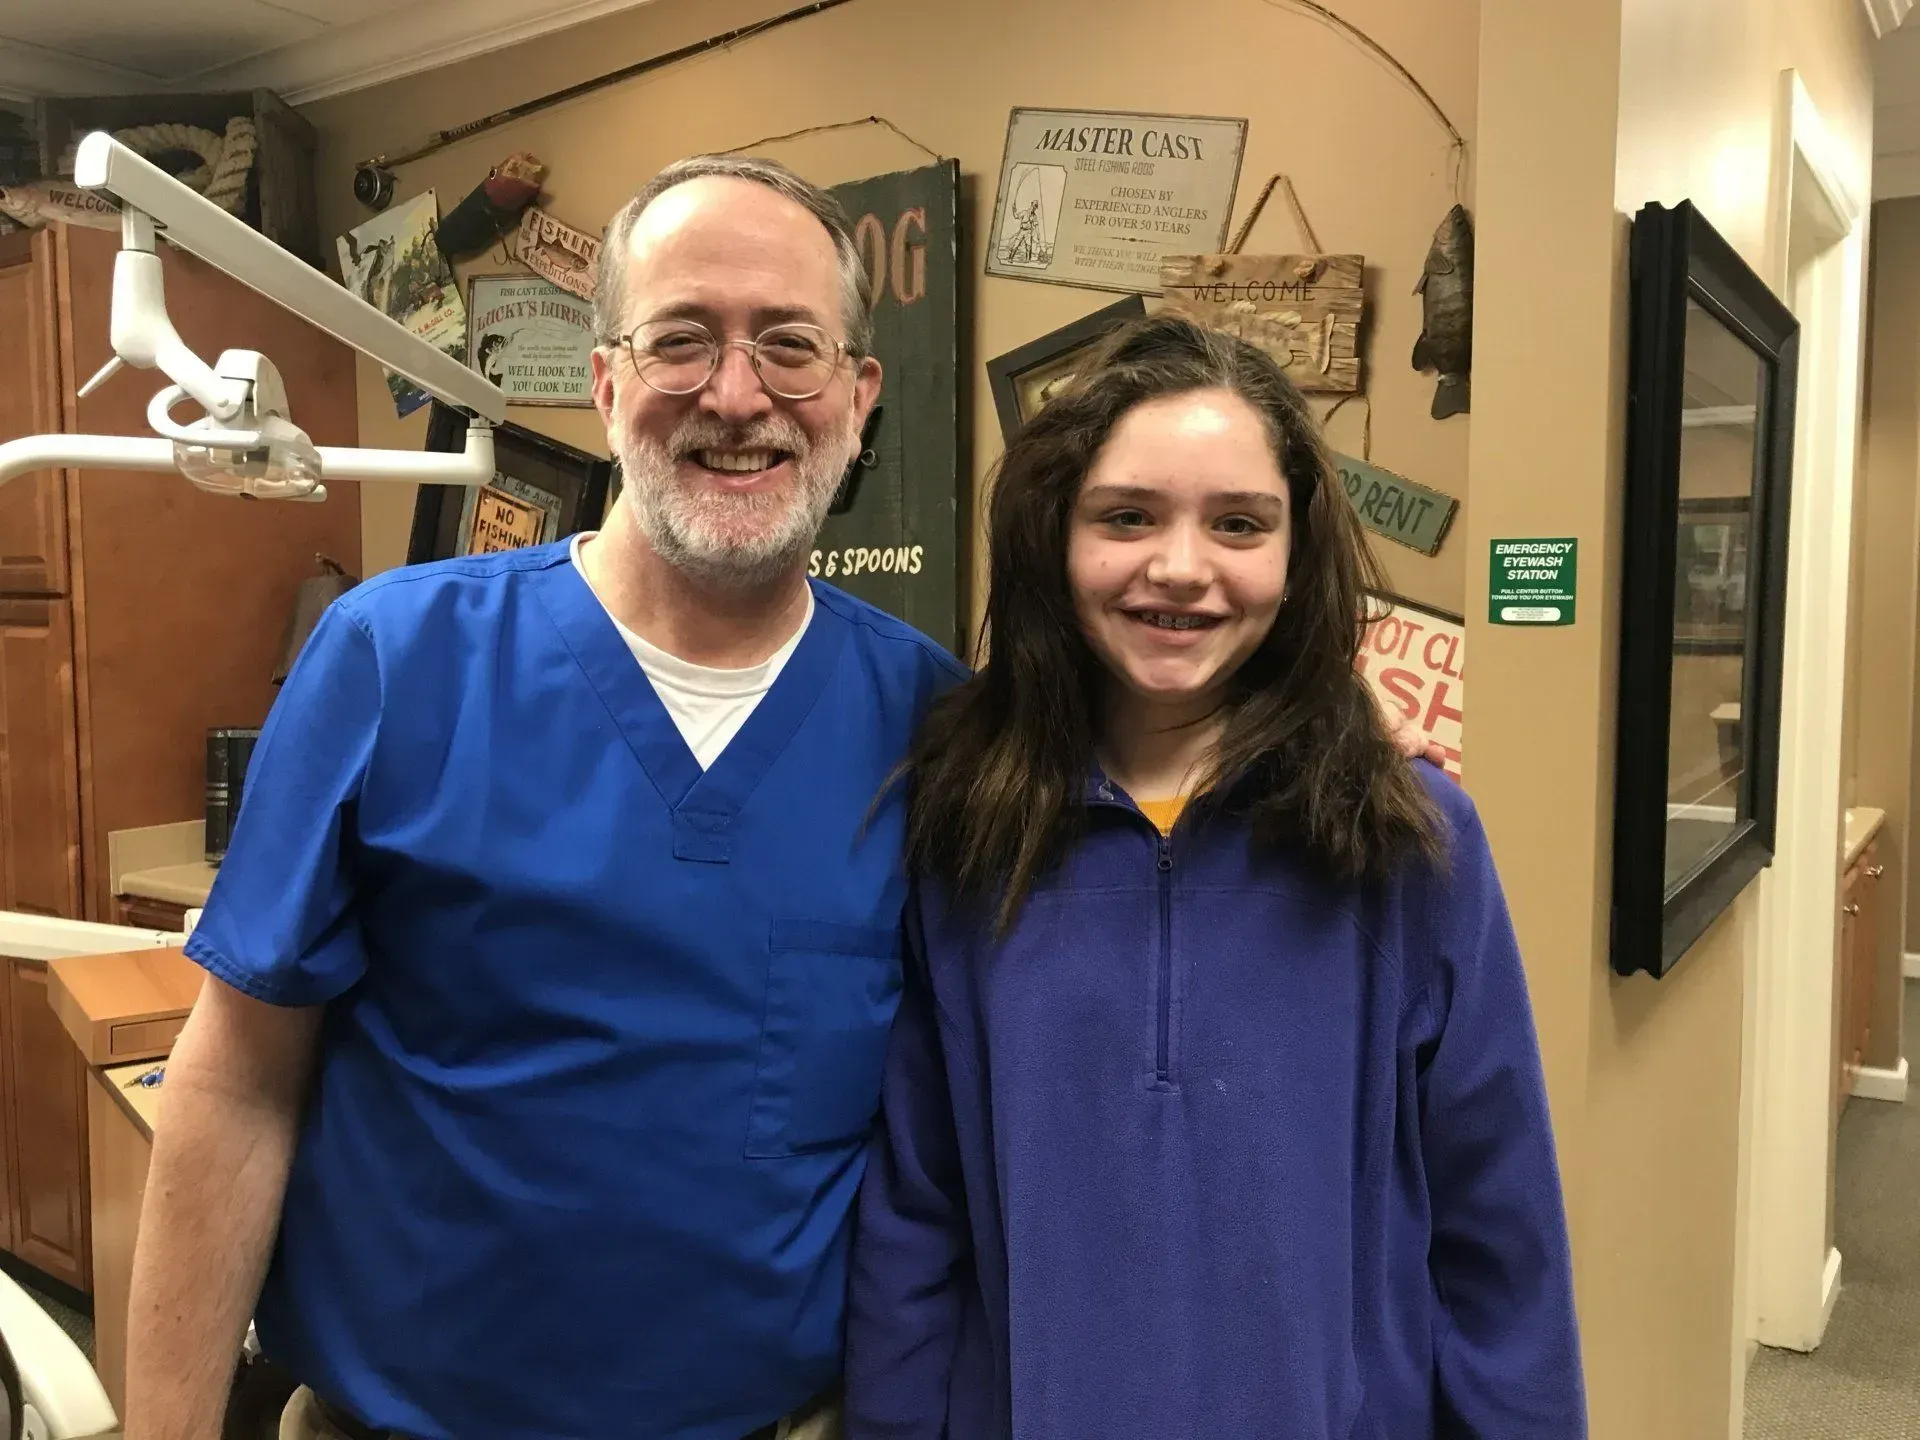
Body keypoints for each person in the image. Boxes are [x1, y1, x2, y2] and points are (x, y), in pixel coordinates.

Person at [124, 154, 959, 1440]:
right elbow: (235, 1081)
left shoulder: (935, 728)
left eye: (790, 346)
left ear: (858, 395)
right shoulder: (394, 660)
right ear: (608, 378)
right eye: (683, 339)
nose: (737, 395)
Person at [844, 316, 1584, 1438]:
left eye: (1239, 523)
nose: (1180, 568)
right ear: (1056, 537)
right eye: (1127, 516)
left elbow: (1501, 1233)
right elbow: (917, 1210)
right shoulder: (965, 830)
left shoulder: (1412, 841)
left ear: (1296, 557)